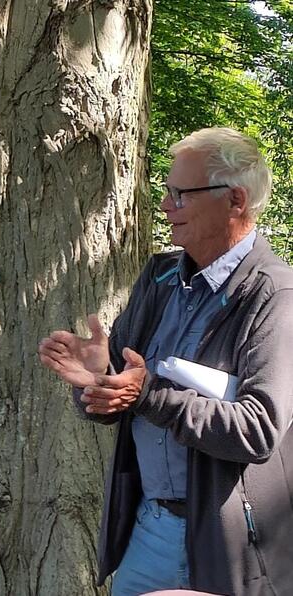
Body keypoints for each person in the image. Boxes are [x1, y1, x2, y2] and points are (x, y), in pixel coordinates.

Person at [38, 128, 293, 596]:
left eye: (180, 193)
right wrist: (99, 381)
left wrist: (148, 394)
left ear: (235, 200)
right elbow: (123, 392)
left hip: (229, 545)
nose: (165, 205)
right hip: (150, 529)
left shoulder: (275, 295)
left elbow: (258, 429)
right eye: (166, 191)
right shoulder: (160, 277)